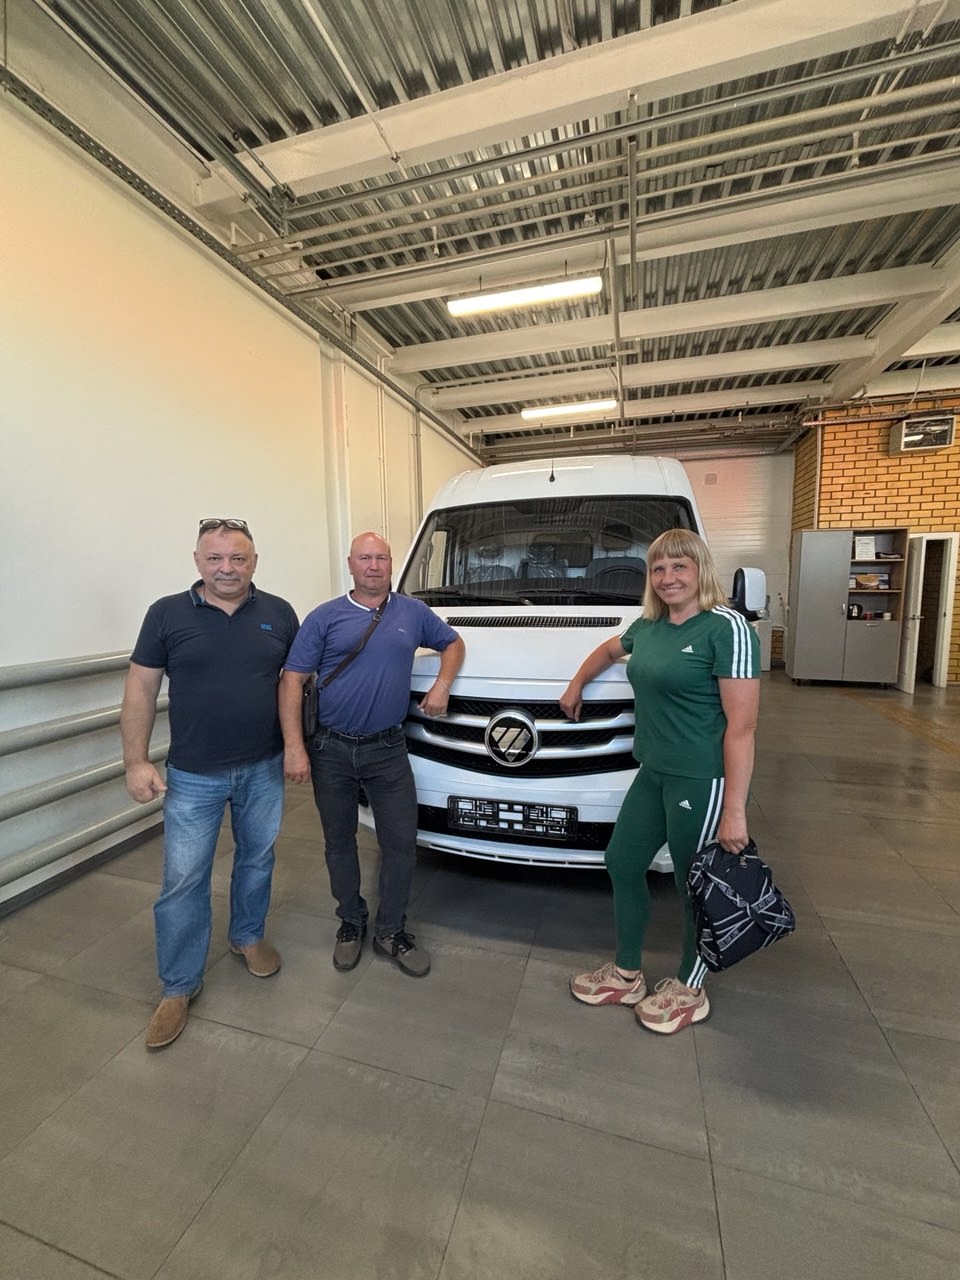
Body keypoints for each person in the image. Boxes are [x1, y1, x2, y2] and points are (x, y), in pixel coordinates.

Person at [560, 528, 760, 1035]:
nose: (668, 577)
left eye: (679, 566)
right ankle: (627, 974)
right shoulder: (648, 625)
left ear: (700, 570)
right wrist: (577, 682)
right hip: (652, 770)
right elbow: (609, 650)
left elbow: (743, 728)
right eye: (658, 568)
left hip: (701, 778)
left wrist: (735, 810)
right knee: (622, 861)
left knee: (692, 883)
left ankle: (691, 988)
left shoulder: (727, 628)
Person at [121, 518, 299, 1050]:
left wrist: (297, 746)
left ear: (254, 562)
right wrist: (135, 761)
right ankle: (178, 985)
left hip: (263, 767)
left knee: (257, 859)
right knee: (183, 880)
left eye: (237, 558)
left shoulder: (280, 613)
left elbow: (294, 685)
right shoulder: (166, 614)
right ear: (197, 561)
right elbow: (140, 688)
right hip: (193, 775)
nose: (227, 568)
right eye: (215, 558)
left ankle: (247, 935)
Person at [279, 531, 465, 978]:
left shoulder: (412, 612)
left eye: (381, 557)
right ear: (351, 564)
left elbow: (453, 643)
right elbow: (292, 680)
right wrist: (294, 747)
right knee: (339, 841)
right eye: (365, 558)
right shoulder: (324, 617)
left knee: (400, 844)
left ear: (391, 563)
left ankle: (390, 930)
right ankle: (350, 921)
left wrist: (442, 684)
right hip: (330, 749)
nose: (374, 566)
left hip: (387, 749)